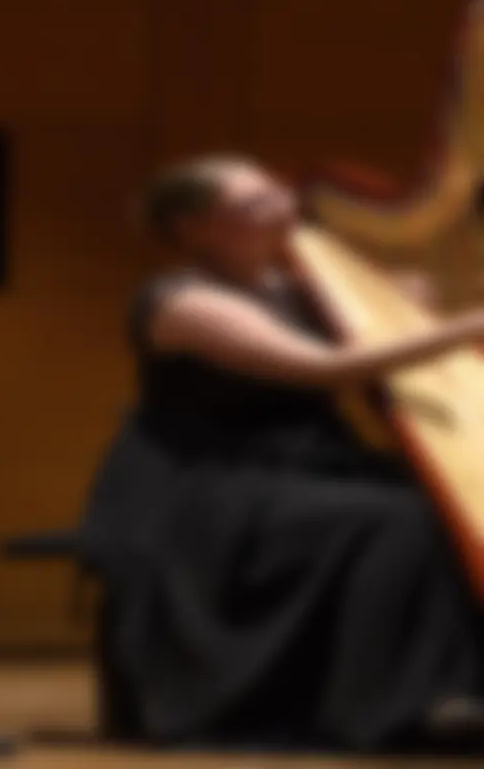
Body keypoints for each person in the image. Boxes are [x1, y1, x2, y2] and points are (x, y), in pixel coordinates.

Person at [77, 152, 484, 752]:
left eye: (278, 193)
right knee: (404, 520)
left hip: (304, 466)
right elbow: (322, 369)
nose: (284, 209)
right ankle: (397, 703)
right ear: (195, 227)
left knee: (440, 501)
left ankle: (453, 681)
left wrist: (404, 298)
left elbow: (368, 321)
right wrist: (460, 327)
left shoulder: (293, 284)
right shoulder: (182, 304)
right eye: (254, 203)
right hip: (209, 485)